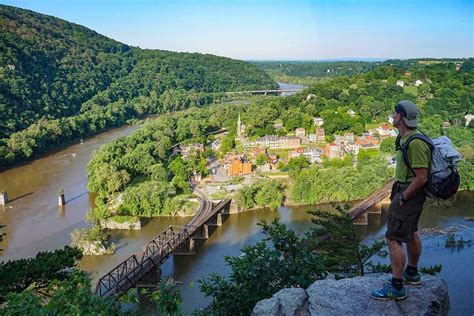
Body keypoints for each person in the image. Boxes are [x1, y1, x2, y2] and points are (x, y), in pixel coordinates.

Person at [371, 100, 431, 301]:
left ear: (401, 117)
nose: (392, 116)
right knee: (411, 231)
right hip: (404, 189)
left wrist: (403, 197)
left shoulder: (415, 143)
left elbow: (422, 177)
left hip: (409, 192)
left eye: (395, 113)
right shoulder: (405, 137)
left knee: (393, 237)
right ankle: (411, 274)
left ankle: (397, 287)